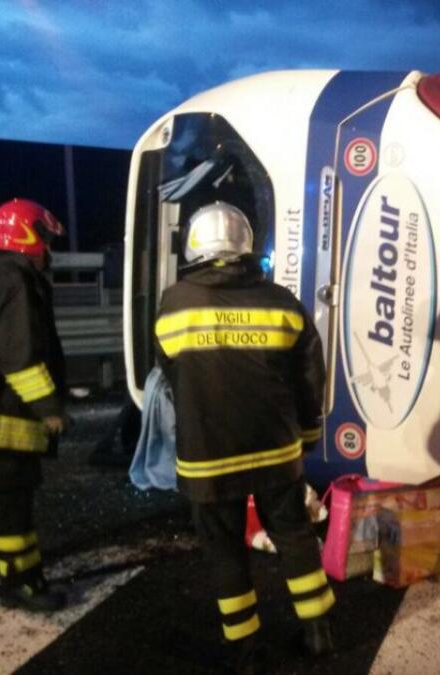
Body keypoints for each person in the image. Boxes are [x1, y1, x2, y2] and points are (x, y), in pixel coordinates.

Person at [154, 202, 332, 671]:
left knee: (225, 550)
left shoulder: (175, 302)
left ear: (194, 245)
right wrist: (309, 434)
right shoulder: (281, 303)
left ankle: (247, 652)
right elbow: (311, 377)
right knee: (294, 536)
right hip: (276, 450)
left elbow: (170, 372)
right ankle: (318, 632)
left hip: (207, 456)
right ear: (246, 244)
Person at [0, 198, 69, 612]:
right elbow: (19, 357)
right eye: (45, 238)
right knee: (13, 502)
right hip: (5, 420)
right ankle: (21, 583)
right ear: (27, 234)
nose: (48, 250)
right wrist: (49, 409)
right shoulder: (15, 281)